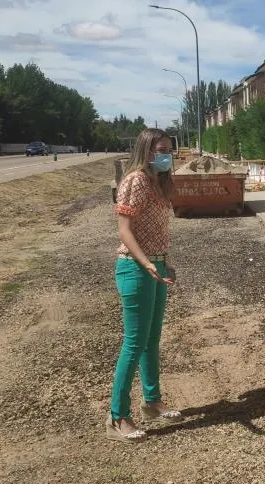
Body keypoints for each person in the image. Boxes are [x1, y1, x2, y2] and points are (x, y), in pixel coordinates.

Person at [106, 128, 184, 443]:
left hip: (156, 264)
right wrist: (148, 263)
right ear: (147, 151)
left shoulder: (159, 182)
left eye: (169, 149)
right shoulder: (135, 180)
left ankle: (152, 401)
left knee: (152, 339)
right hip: (135, 267)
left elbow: (155, 229)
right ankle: (117, 416)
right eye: (161, 149)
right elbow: (125, 230)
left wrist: (164, 262)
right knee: (135, 342)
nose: (167, 155)